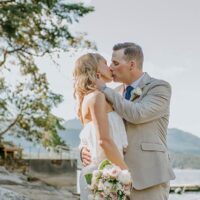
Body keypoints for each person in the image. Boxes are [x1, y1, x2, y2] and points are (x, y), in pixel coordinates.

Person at [81, 43, 176, 200]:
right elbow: (96, 128)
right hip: (113, 178)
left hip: (149, 177)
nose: (110, 68)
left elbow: (137, 114)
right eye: (110, 63)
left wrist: (104, 88)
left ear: (132, 64)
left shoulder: (159, 88)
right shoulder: (113, 93)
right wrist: (85, 149)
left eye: (115, 63)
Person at [73, 53, 129, 200]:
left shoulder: (95, 97)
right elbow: (103, 140)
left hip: (104, 172)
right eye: (105, 63)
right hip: (103, 175)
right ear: (96, 70)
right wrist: (126, 173)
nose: (110, 67)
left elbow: (88, 139)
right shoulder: (96, 97)